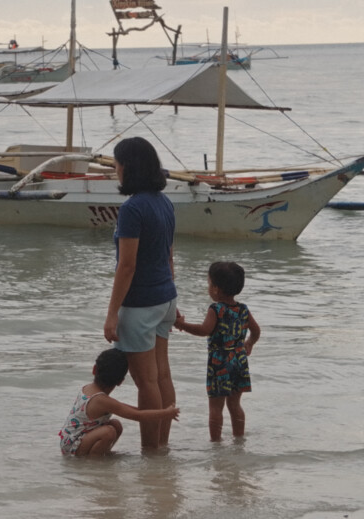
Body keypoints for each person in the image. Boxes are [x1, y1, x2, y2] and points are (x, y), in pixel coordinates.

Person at [103, 136, 178, 450]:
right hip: (165, 298)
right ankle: (160, 446)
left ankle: (151, 453)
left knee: (145, 381)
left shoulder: (132, 208)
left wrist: (111, 313)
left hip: (141, 304)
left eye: (116, 163)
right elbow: (169, 254)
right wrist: (174, 296)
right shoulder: (165, 202)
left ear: (127, 167)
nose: (115, 169)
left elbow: (127, 266)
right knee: (161, 375)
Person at [175, 261, 260, 442]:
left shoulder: (216, 309)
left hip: (219, 362)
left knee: (215, 407)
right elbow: (256, 330)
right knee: (235, 404)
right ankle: (239, 439)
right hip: (239, 360)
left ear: (216, 289)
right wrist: (249, 343)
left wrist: (182, 325)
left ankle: (216, 444)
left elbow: (204, 330)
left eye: (209, 283)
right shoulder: (243, 309)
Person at [59, 348, 181, 456]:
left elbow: (130, 410)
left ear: (94, 369)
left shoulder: (90, 389)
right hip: (72, 446)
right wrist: (165, 413)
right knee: (108, 432)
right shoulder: (102, 400)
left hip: (71, 440)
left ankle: (102, 454)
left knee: (116, 425)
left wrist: (160, 412)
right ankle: (92, 461)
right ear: (120, 382)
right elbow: (137, 416)